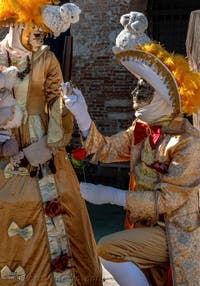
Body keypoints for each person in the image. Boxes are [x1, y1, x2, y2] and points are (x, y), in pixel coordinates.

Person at [63, 12, 200, 286]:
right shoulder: (140, 130)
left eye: (145, 86)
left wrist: (109, 195)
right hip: (142, 226)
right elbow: (104, 150)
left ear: (165, 97)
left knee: (108, 248)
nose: (136, 92)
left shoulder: (189, 142)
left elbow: (166, 202)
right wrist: (82, 115)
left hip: (175, 232)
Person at [0, 1, 102, 285]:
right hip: (4, 140)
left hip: (40, 142)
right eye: (36, 31)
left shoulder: (46, 58)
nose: (39, 38)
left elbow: (55, 100)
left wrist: (49, 141)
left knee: (43, 203)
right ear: (19, 23)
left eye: (43, 34)